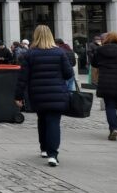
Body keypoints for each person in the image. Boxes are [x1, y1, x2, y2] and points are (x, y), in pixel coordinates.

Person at [14, 25, 73, 167]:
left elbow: (22, 78)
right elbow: (68, 74)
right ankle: (53, 154)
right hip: (57, 93)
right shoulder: (60, 53)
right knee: (53, 122)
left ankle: (44, 149)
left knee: (42, 120)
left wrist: (18, 96)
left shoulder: (30, 54)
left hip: (38, 94)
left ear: (35, 36)